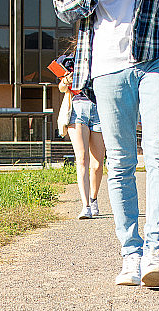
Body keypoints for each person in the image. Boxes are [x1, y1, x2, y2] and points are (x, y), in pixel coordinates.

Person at [54, 0, 159, 287]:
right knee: (120, 162)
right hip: (108, 64)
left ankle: (156, 253)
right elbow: (64, 8)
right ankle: (131, 252)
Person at [58, 66, 106, 219]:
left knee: (98, 164)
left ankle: (93, 198)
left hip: (99, 108)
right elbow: (61, 87)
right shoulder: (71, 61)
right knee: (82, 158)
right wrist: (66, 80)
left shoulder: (100, 55)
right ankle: (85, 206)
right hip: (78, 109)